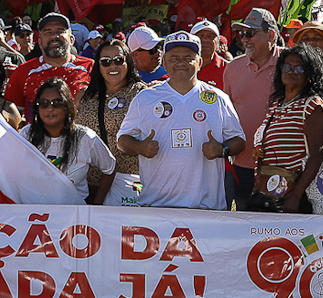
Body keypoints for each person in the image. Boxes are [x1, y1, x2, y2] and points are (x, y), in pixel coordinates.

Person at [117, 32, 245, 209]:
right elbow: (122, 140)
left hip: (207, 208)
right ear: (164, 62)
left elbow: (239, 140)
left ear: (199, 62)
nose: (181, 62)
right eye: (174, 57)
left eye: (188, 57)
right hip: (156, 206)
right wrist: (140, 147)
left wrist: (222, 149)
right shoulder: (145, 98)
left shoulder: (218, 98)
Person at [249, 45, 323, 214]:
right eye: (286, 67)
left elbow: (317, 155)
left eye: (299, 68)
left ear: (310, 74)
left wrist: (296, 195)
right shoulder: (277, 105)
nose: (291, 71)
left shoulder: (312, 105)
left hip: (296, 196)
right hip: (271, 191)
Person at [76, 39, 148, 205]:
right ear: (98, 66)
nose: (113, 66)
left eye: (119, 60)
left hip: (127, 183)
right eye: (106, 62)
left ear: (128, 62)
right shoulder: (85, 95)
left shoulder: (141, 94)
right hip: (88, 183)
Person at [24, 77, 116, 205]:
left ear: (67, 106)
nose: (50, 108)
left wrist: (96, 205)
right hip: (34, 211)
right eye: (44, 103)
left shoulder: (85, 137)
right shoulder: (26, 135)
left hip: (75, 213)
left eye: (57, 103)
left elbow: (110, 168)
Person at [222, 8, 282, 202]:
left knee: (281, 219)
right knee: (242, 216)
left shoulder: (290, 64)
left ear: (271, 35)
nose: (244, 39)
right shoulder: (233, 68)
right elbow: (227, 115)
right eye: (242, 34)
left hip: (283, 166)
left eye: (250, 33)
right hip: (242, 164)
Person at [3, 12, 92, 119]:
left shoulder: (91, 68)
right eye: (48, 32)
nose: (54, 36)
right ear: (39, 42)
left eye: (60, 31)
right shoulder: (23, 72)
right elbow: (11, 116)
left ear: (72, 40)